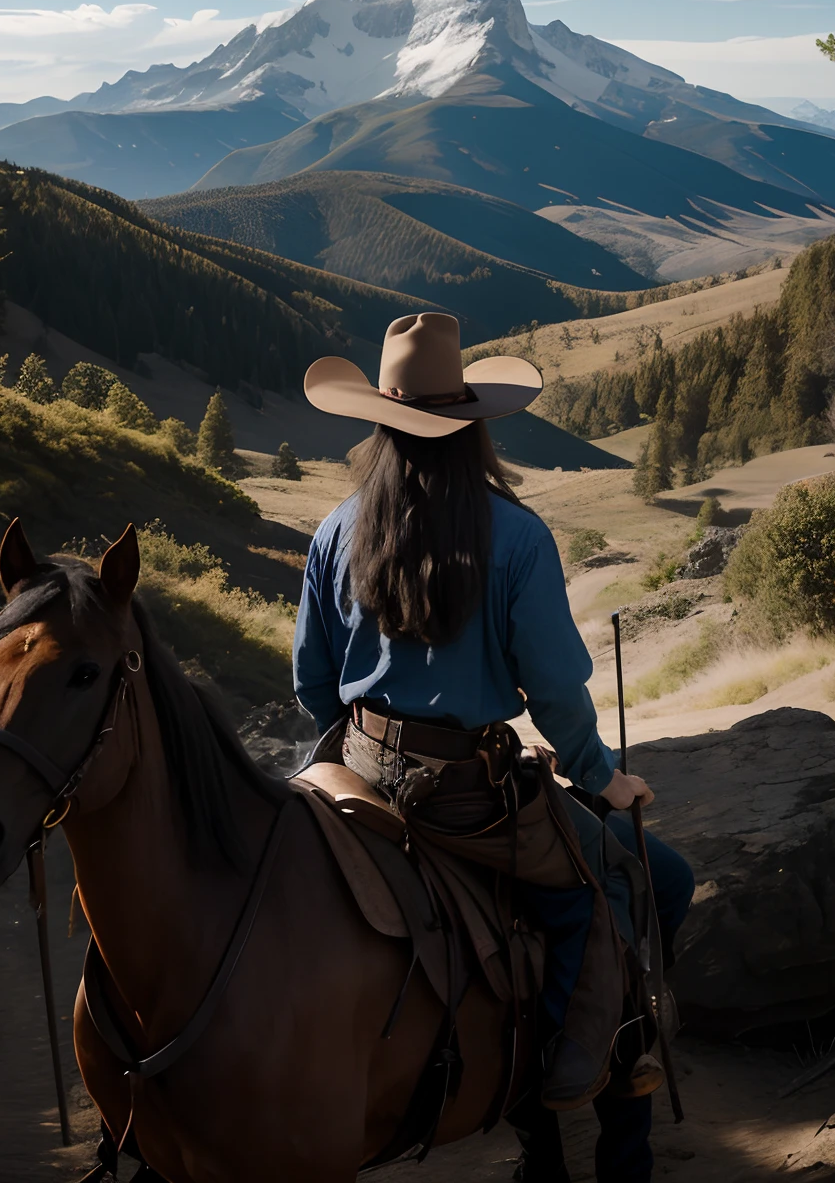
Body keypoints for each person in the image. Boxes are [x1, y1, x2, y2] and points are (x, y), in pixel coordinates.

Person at [292, 312, 693, 1183]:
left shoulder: (334, 531)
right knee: (643, 880)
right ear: (472, 422)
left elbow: (311, 684)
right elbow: (551, 689)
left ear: (380, 421)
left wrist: (354, 759)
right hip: (469, 798)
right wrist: (601, 778)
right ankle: (591, 1078)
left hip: (356, 776)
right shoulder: (515, 538)